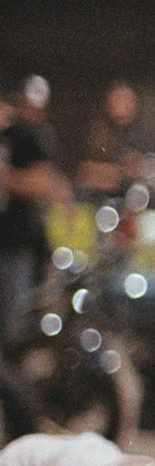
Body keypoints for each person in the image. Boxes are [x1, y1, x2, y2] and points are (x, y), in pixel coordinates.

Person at [0, 78, 71, 346]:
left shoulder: (28, 136)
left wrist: (7, 178)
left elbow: (44, 183)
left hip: (17, 244)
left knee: (14, 325)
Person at [76, 80, 155, 201]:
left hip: (132, 200)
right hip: (100, 200)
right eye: (118, 98)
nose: (124, 104)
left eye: (128, 100)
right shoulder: (98, 133)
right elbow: (85, 172)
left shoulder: (141, 137)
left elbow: (147, 171)